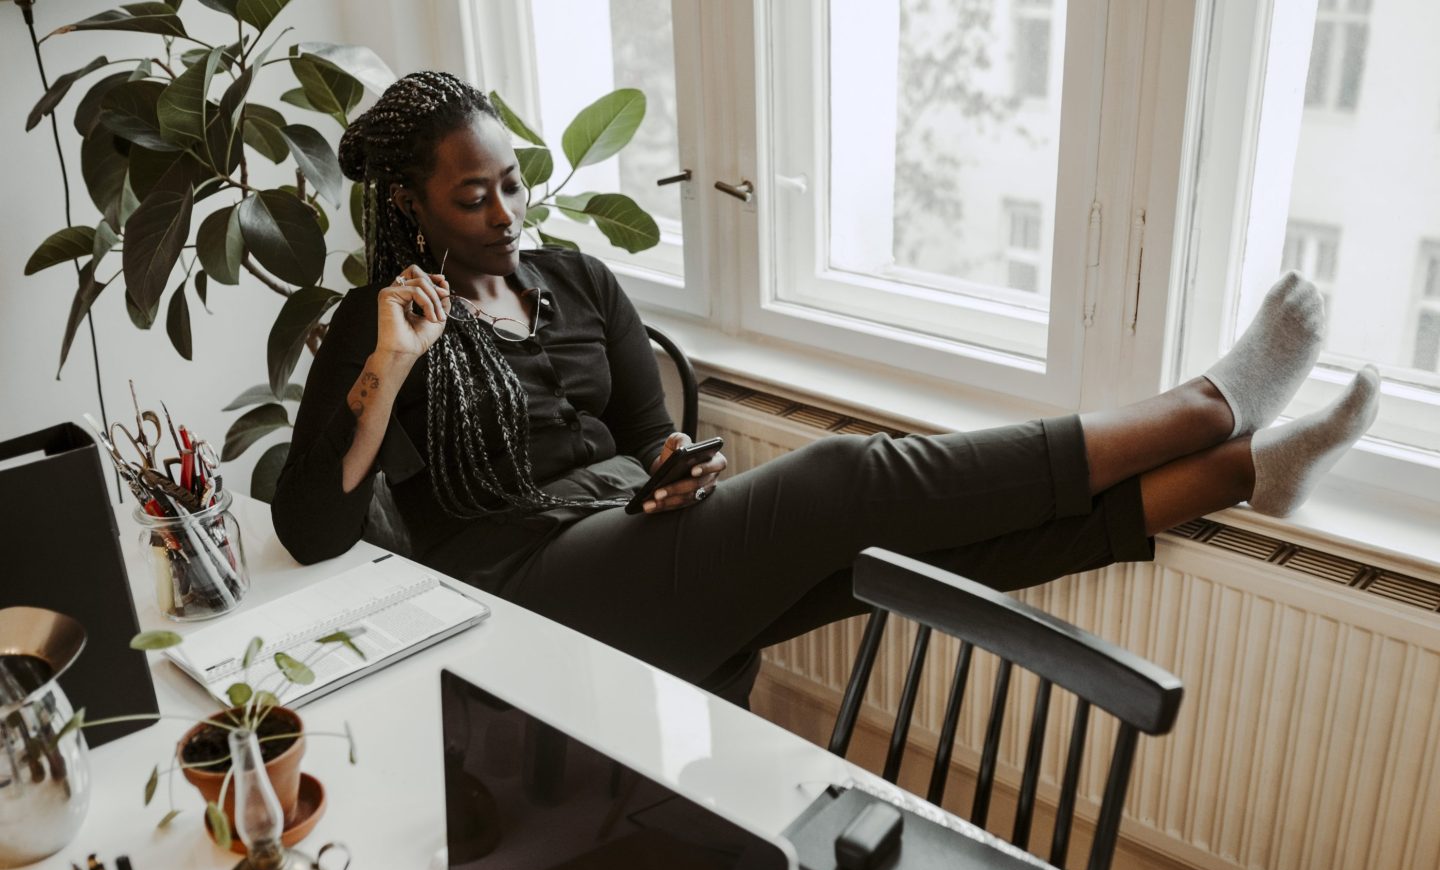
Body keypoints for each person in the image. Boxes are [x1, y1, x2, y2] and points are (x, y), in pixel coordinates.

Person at [271, 71, 1379, 705]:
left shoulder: (579, 278)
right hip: (524, 594)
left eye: (513, 183)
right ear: (412, 208)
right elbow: (314, 528)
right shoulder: (381, 335)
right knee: (847, 474)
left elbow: (651, 434)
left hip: (636, 540)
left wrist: (673, 471)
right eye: (475, 198)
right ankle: (1205, 406)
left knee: (881, 562)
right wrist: (389, 367)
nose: (510, 215)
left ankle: (1241, 473)